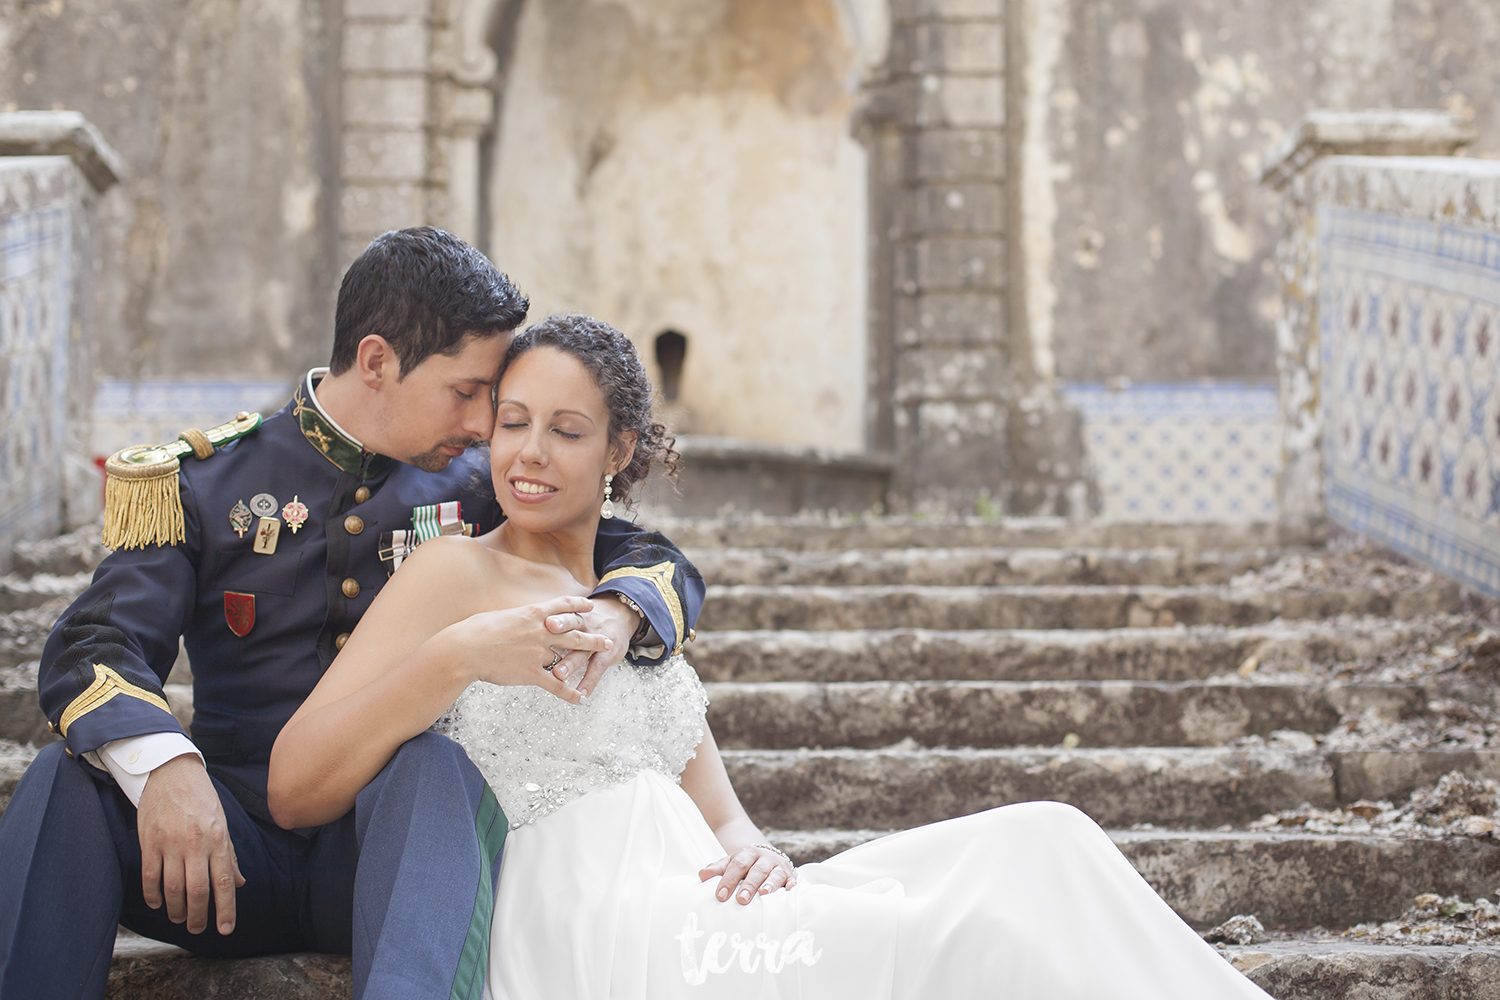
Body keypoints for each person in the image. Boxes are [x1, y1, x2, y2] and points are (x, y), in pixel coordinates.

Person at [269, 313, 1273, 999]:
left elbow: (721, 807)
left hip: (706, 893)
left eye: (565, 431)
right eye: (513, 424)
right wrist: (454, 657)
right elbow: (294, 783)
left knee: (1045, 839)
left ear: (618, 450)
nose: (528, 454)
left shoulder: (634, 602)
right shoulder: (453, 574)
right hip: (595, 925)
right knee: (967, 940)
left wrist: (748, 844)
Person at [0, 229, 704, 1000]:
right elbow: (92, 646)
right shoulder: (207, 481)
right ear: (377, 362)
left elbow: (645, 552)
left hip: (391, 858)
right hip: (220, 857)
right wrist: (166, 767)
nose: (483, 423)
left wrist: (617, 610)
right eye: (468, 391)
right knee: (66, 779)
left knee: (432, 764)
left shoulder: (474, 485)